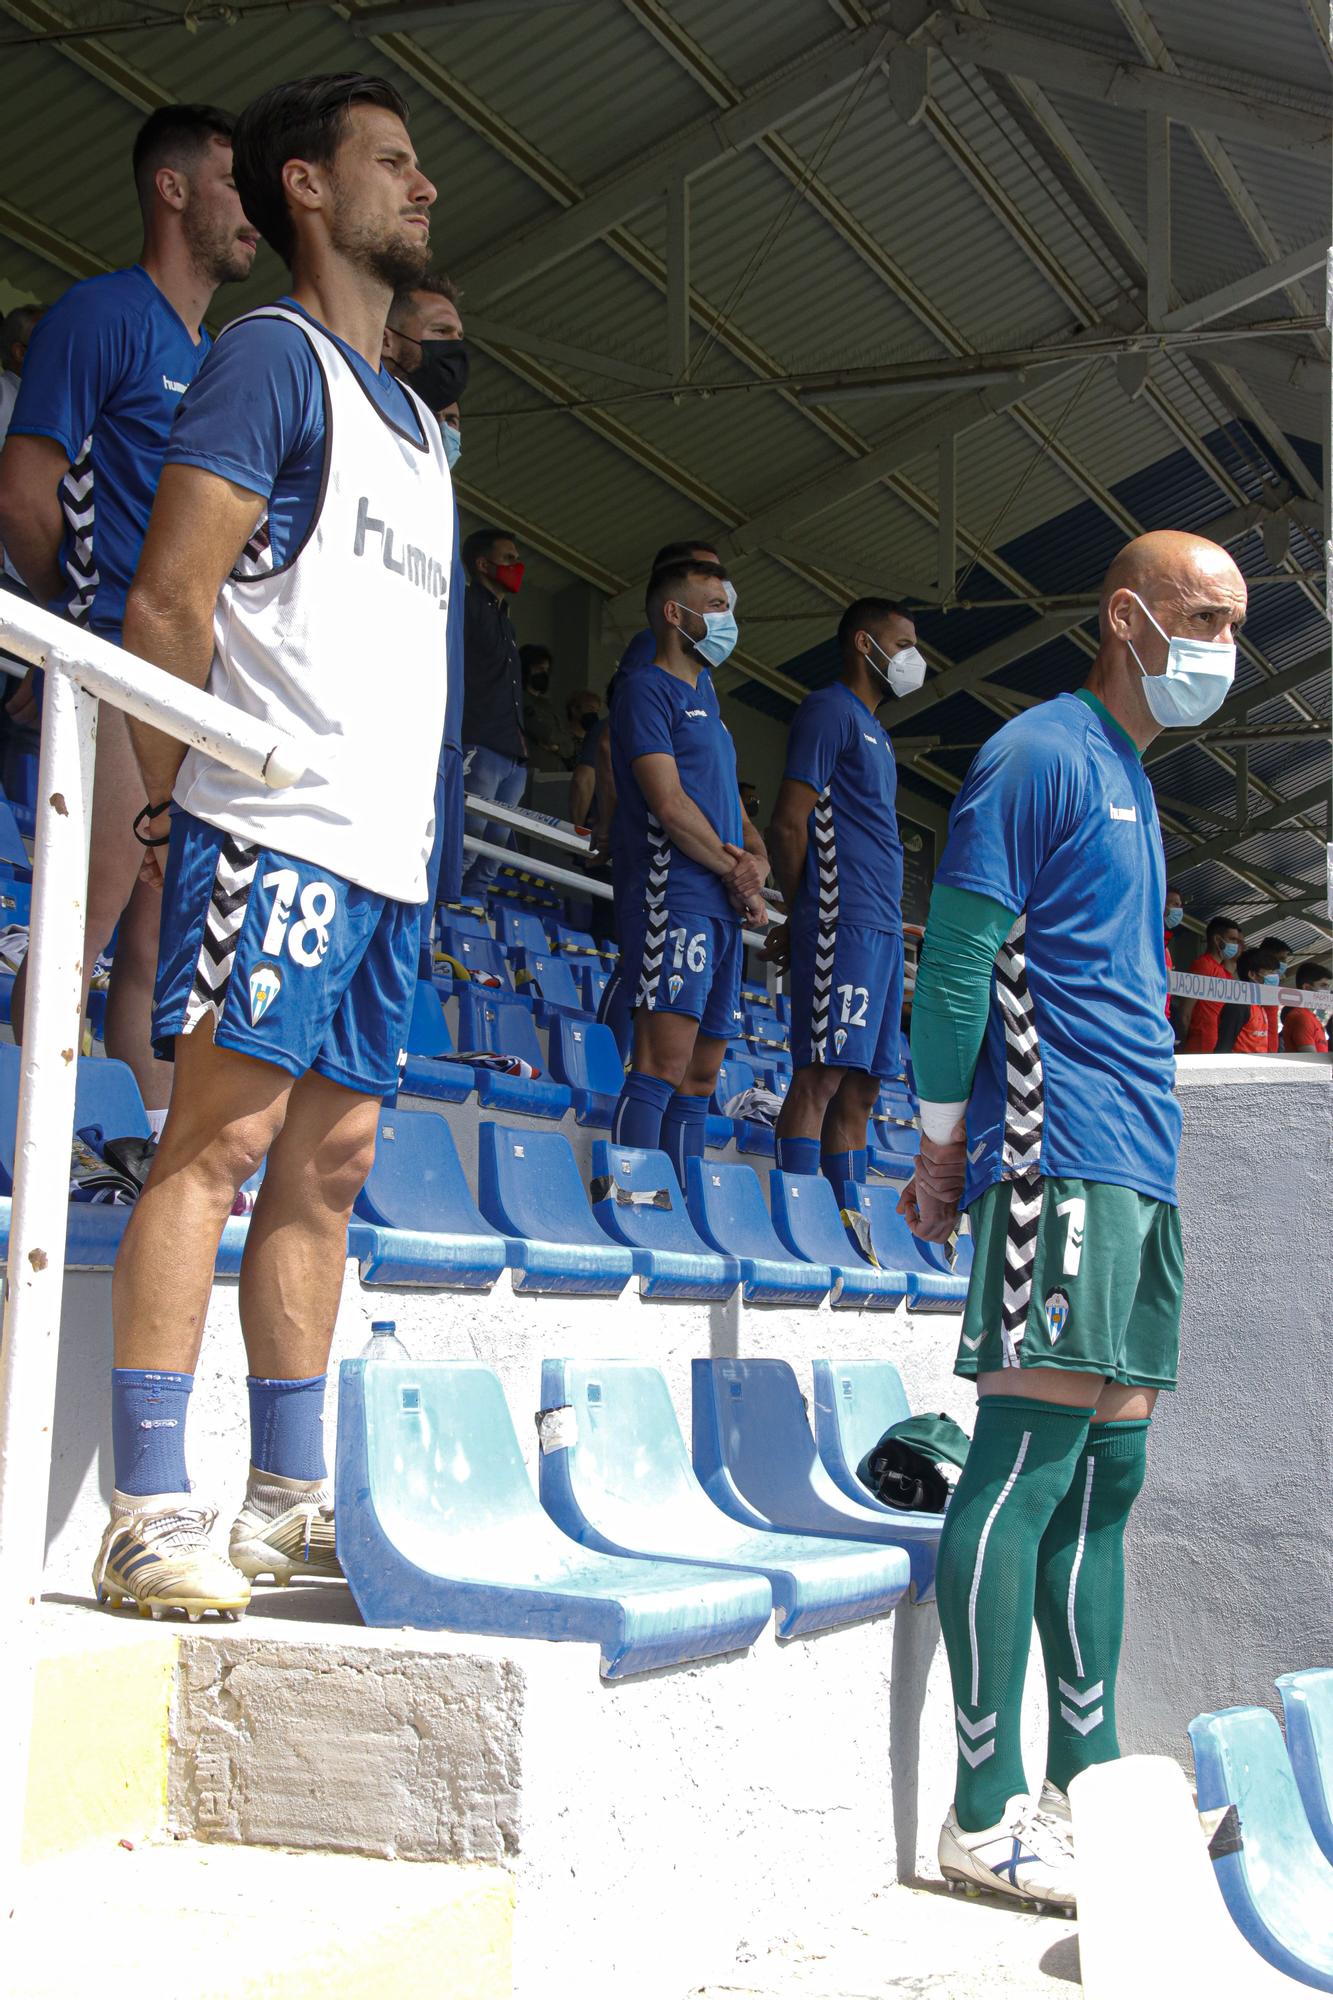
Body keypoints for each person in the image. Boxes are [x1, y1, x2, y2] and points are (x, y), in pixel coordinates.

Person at [94, 71, 452, 1621]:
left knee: (332, 1174)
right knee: (218, 1149)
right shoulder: (267, 356)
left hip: (387, 859)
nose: (421, 187)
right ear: (304, 188)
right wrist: (175, 806)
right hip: (271, 829)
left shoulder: (428, 432)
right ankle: (146, 1508)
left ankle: (284, 1506)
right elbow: (168, 600)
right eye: (391, 163)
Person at [904, 528, 1242, 1909]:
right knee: (1025, 1467)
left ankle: (1081, 1792)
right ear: (1126, 615)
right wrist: (938, 1151)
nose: (1222, 645)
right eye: (1203, 616)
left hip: (1139, 1170)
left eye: (1233, 621)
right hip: (1058, 1162)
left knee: (1109, 1489)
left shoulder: (1130, 782)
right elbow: (958, 964)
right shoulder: (1039, 753)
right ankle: (982, 1815)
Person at [0, 105, 258, 1132]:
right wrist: (72, 638)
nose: (256, 213)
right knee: (83, 926)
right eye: (238, 185)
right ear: (175, 187)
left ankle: (124, 1152)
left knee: (159, 953)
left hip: (187, 687)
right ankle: (25, 1152)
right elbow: (26, 493)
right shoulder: (102, 314)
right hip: (113, 661)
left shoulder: (222, 357)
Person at [607, 558, 768, 1189]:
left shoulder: (710, 698)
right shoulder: (646, 689)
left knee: (702, 1076)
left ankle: (684, 1206)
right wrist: (738, 869)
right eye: (716, 606)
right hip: (674, 898)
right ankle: (633, 1200)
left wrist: (753, 859)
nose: (729, 620)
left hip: (723, 903)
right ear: (677, 614)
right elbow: (670, 805)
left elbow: (732, 805)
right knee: (661, 1063)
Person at [766, 598, 925, 1187]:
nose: (914, 658)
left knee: (862, 1086)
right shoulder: (829, 710)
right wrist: (804, 911)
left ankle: (844, 1223)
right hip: (843, 919)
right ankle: (798, 1221)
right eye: (903, 643)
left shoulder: (878, 733)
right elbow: (786, 823)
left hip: (880, 927)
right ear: (865, 644)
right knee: (821, 1077)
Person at [594, 536, 729, 1057]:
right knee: (641, 965)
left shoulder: (703, 676)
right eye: (709, 577)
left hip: (699, 860)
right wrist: (609, 821)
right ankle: (604, 1058)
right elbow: (616, 740)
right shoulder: (649, 660)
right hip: (656, 850)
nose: (725, 595)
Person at [458, 524, 525, 904]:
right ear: (483, 564)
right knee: (466, 845)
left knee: (495, 854)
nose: (517, 566)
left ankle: (468, 922)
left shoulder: (507, 621)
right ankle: (439, 924)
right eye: (509, 558)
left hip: (513, 751)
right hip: (479, 741)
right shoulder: (466, 605)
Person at [1175, 913, 1244, 1053]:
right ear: (1217, 939)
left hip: (1217, 1043)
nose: (1236, 945)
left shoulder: (1223, 971)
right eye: (1232, 939)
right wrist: (1183, 1043)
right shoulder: (1203, 965)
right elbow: (1185, 1012)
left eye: (1237, 941)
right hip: (1199, 1043)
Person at [1216, 946, 1280, 1055]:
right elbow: (1223, 1049)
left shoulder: (1259, 1006)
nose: (1276, 977)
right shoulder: (1238, 1006)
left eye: (1275, 973)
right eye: (1270, 972)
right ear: (1252, 975)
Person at [521, 644, 565, 773]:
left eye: (546, 670)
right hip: (527, 771)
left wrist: (556, 746)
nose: (544, 673)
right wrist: (553, 742)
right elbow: (544, 733)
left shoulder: (548, 706)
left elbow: (568, 744)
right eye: (540, 669)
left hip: (550, 772)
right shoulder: (519, 699)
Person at [1281, 961, 1331, 1054]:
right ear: (1307, 988)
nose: (1328, 991)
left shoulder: (1310, 1017)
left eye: (1328, 986)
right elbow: (1311, 1061)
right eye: (1323, 985)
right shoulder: (1302, 1018)